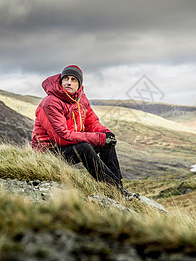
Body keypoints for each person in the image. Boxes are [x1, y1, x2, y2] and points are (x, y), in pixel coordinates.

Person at [31, 65, 139, 200]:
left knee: (107, 143)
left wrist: (106, 133)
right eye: (65, 78)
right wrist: (99, 138)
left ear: (79, 84)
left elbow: (92, 123)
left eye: (73, 79)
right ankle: (117, 190)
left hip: (67, 147)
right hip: (48, 152)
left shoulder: (81, 99)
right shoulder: (50, 102)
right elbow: (61, 137)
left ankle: (118, 189)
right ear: (60, 81)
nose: (68, 82)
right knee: (84, 148)